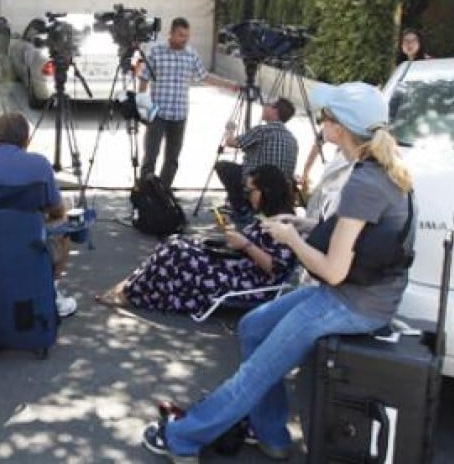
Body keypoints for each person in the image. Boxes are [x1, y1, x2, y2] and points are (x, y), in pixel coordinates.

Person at [142, 81, 415, 462]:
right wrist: (302, 225)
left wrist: (291, 239)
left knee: (255, 373)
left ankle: (182, 440)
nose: (321, 122)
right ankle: (271, 433)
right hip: (358, 293)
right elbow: (354, 237)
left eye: (325, 117)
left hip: (354, 302)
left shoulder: (364, 183)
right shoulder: (377, 169)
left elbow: (334, 271)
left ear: (340, 127)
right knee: (253, 326)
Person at [96, 164, 296, 314]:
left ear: (266, 191)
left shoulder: (286, 223)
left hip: (250, 282)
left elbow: (276, 268)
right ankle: (132, 288)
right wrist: (238, 238)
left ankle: (132, 294)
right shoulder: (269, 214)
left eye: (250, 191)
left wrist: (246, 244)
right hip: (239, 266)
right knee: (174, 242)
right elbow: (253, 245)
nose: (247, 196)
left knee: (177, 253)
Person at [0, 112, 77, 317]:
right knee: (64, 219)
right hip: (26, 242)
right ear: (26, 139)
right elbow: (56, 210)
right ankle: (52, 290)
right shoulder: (39, 164)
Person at [138, 17, 208, 188]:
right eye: (181, 35)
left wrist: (231, 86)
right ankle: (146, 191)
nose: (184, 39)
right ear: (171, 33)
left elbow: (204, 77)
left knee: (172, 159)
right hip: (157, 114)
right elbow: (144, 79)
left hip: (180, 115)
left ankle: (163, 192)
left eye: (187, 36)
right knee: (151, 155)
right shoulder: (156, 52)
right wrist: (142, 108)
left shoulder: (191, 54)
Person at [215, 98, 298, 218]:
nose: (264, 107)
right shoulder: (292, 138)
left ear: (275, 111)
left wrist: (230, 129)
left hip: (259, 185)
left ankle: (240, 207)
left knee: (223, 166)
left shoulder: (262, 130)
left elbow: (231, 142)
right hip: (282, 190)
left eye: (267, 105)